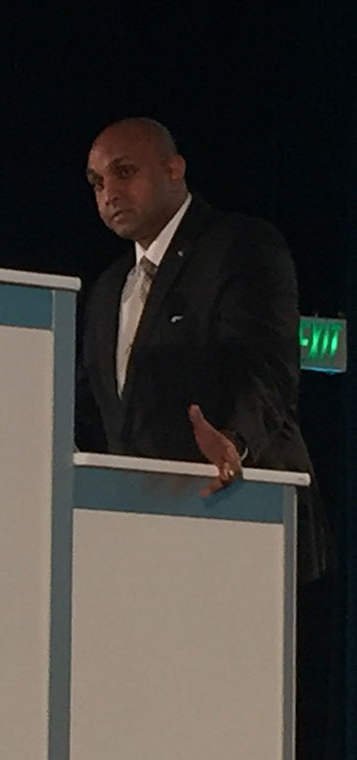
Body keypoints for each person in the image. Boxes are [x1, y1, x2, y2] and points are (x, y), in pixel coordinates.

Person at [76, 117, 337, 758]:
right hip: (140, 548)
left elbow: (269, 367)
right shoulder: (108, 289)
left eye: (124, 172)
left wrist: (235, 443)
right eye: (97, 182)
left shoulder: (242, 246)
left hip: (239, 522)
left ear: (174, 170)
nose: (109, 192)